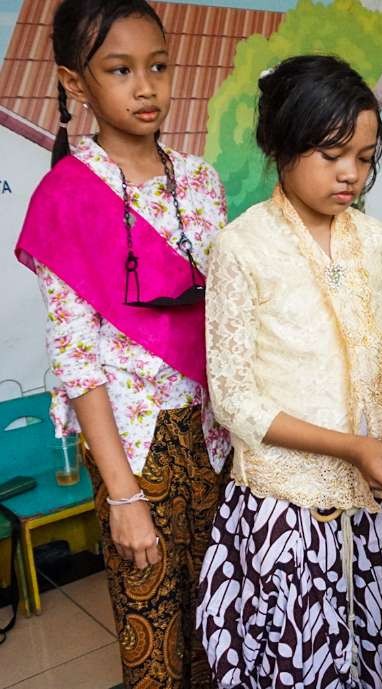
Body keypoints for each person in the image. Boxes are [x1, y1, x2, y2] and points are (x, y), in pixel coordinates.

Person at [196, 55, 382, 689]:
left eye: (364, 157)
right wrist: (352, 446)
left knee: (368, 651)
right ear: (282, 143)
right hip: (288, 506)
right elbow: (235, 403)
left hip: (368, 498)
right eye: (333, 154)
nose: (351, 174)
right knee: (300, 667)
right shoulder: (242, 249)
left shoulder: (376, 241)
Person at [14, 1, 230, 685]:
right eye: (121, 70)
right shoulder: (64, 196)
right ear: (76, 84)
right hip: (135, 450)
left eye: (158, 67)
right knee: (155, 646)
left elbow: (224, 320)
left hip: (216, 435)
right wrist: (124, 496)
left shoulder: (200, 180)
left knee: (225, 624)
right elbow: (77, 360)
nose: (147, 87)